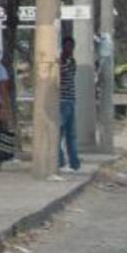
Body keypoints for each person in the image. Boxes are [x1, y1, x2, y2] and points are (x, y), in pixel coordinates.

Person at [59, 37, 80, 172]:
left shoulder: (71, 61)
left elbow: (69, 75)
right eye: (67, 46)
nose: (69, 49)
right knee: (60, 133)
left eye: (71, 46)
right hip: (62, 101)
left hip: (70, 100)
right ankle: (60, 161)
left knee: (71, 135)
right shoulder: (61, 61)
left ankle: (74, 163)